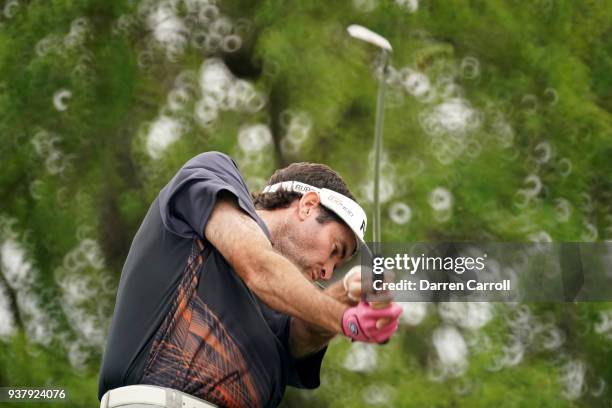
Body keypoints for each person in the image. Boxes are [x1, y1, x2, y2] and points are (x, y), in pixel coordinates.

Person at [98, 151, 402, 408]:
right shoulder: (213, 173)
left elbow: (303, 333)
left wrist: (347, 293)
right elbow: (257, 266)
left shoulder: (285, 306)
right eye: (335, 250)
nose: (327, 271)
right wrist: (345, 318)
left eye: (337, 265)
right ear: (308, 205)